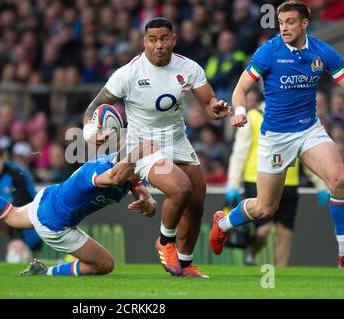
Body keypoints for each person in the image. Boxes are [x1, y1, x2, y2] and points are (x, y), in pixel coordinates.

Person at [82, 17, 230, 277]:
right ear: (145, 42)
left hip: (176, 139)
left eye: (164, 39)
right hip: (143, 145)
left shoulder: (188, 67)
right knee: (180, 188)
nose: (159, 45)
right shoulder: (128, 74)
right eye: (152, 40)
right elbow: (94, 107)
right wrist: (90, 131)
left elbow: (208, 102)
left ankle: (185, 265)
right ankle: (165, 240)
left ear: (173, 39)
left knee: (196, 201)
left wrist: (216, 109)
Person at [210, 1, 344, 268]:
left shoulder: (323, 52)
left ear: (305, 23)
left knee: (340, 181)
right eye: (281, 22)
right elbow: (240, 89)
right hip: (276, 137)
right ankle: (223, 223)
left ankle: (342, 252)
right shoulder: (269, 52)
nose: (284, 27)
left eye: (291, 22)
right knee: (265, 208)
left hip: (308, 130)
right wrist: (239, 111)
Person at [0, 141, 158, 276]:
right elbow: (113, 178)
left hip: (48, 198)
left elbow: (137, 187)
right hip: (56, 224)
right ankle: (47, 273)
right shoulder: (99, 170)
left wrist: (148, 201)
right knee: (105, 264)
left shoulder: (126, 172)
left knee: (11, 215)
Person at [226, 100, 329, 266]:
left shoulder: (297, 117)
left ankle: (281, 272)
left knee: (285, 232)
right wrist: (233, 183)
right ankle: (252, 251)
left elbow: (307, 154)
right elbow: (239, 153)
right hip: (257, 179)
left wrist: (321, 185)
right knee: (263, 231)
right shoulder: (252, 117)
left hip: (290, 182)